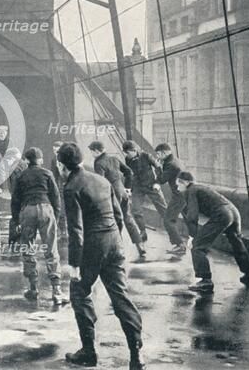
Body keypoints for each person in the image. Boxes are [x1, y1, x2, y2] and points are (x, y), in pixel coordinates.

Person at [60, 143, 145, 370]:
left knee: (79, 292)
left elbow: (76, 231)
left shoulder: (71, 188)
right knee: (120, 296)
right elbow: (119, 213)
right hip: (114, 242)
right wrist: (114, 239)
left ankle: (88, 351)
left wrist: (74, 265)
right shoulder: (102, 180)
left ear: (62, 165)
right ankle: (136, 356)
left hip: (92, 246)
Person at [176, 171, 249, 293]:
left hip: (222, 214)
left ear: (186, 183)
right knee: (236, 242)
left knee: (197, 246)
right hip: (233, 212)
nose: (177, 187)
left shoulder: (191, 190)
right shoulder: (200, 187)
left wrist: (192, 236)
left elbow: (192, 215)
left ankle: (205, 280)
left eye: (178, 184)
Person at [11, 147, 67, 305]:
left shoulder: (22, 176)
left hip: (28, 210)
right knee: (51, 249)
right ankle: (56, 290)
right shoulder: (47, 173)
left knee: (27, 248)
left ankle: (33, 287)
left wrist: (16, 221)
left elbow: (15, 201)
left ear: (26, 161)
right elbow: (56, 198)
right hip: (46, 208)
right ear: (41, 160)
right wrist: (54, 217)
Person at [89, 141, 146, 259]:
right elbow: (129, 172)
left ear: (96, 151)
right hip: (123, 192)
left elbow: (101, 182)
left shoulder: (99, 162)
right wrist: (128, 188)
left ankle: (117, 250)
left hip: (112, 195)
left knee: (114, 221)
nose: (91, 154)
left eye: (91, 151)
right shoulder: (114, 158)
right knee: (128, 219)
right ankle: (140, 246)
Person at [122, 140, 170, 246]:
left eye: (128, 153)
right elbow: (129, 173)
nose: (127, 156)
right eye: (126, 154)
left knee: (163, 210)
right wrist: (128, 187)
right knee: (136, 210)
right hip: (138, 187)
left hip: (151, 186)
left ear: (134, 150)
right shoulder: (127, 159)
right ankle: (143, 232)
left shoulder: (147, 156)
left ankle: (173, 234)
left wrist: (157, 183)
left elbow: (158, 168)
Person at [155, 143, 187, 256]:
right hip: (187, 193)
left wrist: (158, 167)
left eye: (158, 154)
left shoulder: (170, 164)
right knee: (189, 219)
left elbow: (161, 180)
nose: (157, 156)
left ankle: (180, 245)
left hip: (179, 195)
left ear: (164, 152)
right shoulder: (178, 161)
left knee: (168, 220)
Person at [4, 147, 28, 256]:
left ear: (13, 158)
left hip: (19, 198)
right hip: (25, 198)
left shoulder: (15, 167)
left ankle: (15, 247)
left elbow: (15, 186)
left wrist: (15, 197)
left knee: (15, 221)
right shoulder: (23, 165)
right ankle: (20, 245)